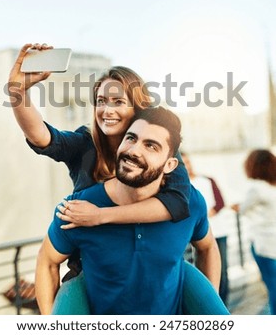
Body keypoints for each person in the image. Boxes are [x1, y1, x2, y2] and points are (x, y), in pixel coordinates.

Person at [8, 43, 227, 315]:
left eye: (118, 102)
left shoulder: (165, 157)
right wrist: (18, 91)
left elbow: (179, 204)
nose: (107, 110)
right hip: (94, 267)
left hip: (152, 266)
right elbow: (41, 136)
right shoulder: (85, 144)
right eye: (101, 101)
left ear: (138, 108)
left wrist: (100, 215)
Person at [35, 106, 227, 315]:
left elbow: (208, 247)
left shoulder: (190, 203)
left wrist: (206, 303)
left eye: (151, 146)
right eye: (131, 138)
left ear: (170, 165)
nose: (134, 150)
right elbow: (47, 262)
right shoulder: (79, 208)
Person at [181, 152, 229, 306]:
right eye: (183, 163)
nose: (187, 166)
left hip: (216, 232)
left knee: (221, 272)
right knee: (197, 274)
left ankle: (221, 306)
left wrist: (205, 214)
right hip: (190, 235)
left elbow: (220, 202)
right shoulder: (177, 186)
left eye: (188, 162)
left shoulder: (206, 180)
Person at [232, 149, 276, 315]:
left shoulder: (257, 189)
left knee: (273, 287)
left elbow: (243, 209)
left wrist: (236, 206)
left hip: (265, 245)